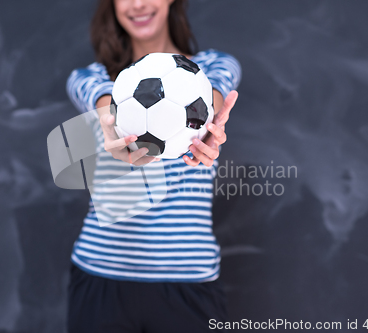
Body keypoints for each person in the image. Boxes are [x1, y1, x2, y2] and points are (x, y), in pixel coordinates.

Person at [66, 0, 241, 332]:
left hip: (189, 283)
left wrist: (208, 126)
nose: (138, 4)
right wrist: (113, 123)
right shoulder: (90, 78)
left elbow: (214, 94)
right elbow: (104, 102)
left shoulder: (214, 66)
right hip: (100, 277)